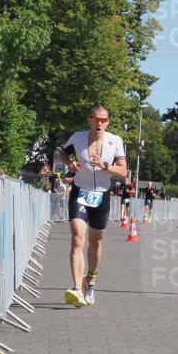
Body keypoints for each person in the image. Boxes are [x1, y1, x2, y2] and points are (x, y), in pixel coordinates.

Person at [57, 106, 128, 307]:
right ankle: (77, 289)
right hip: (80, 192)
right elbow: (62, 154)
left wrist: (105, 166)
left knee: (95, 241)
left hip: (101, 196)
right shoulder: (77, 138)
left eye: (103, 120)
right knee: (77, 238)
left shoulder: (115, 141)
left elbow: (123, 171)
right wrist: (69, 164)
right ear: (89, 120)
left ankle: (91, 280)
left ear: (108, 122)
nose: (99, 123)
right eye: (96, 119)